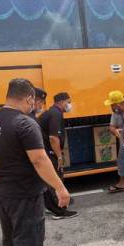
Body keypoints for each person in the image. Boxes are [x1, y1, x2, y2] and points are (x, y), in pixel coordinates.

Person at [0, 78, 70, 246]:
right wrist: (60, 188)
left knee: (11, 235)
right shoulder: (24, 123)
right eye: (34, 100)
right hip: (23, 193)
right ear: (30, 98)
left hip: (0, 192)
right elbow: (39, 160)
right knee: (28, 237)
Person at [39, 92, 78, 220]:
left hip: (45, 151)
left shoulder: (51, 112)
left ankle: (51, 206)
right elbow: (53, 138)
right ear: (61, 102)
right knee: (56, 179)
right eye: (69, 101)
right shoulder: (55, 114)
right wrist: (59, 157)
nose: (70, 105)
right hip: (49, 152)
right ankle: (59, 210)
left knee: (49, 181)